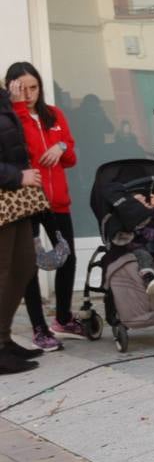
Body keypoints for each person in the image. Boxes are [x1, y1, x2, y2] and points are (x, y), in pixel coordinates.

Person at [8, 64, 78, 351]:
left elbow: (71, 157)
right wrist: (19, 109)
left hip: (57, 200)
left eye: (33, 87)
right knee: (29, 266)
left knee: (68, 258)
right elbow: (24, 149)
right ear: (11, 87)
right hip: (30, 202)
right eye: (21, 88)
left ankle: (62, 318)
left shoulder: (54, 115)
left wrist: (60, 146)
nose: (28, 94)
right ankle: (39, 327)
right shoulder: (12, 118)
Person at [1, 78, 42, 375]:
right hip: (8, 191)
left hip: (15, 199)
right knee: (2, 273)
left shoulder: (4, 97)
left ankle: (4, 339)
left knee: (24, 266)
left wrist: (14, 105)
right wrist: (18, 177)